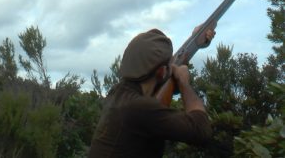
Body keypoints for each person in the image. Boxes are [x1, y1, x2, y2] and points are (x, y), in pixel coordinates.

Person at [88, 28, 214, 158]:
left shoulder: (117, 92)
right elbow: (201, 131)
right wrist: (184, 82)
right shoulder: (140, 108)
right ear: (161, 72)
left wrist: (195, 40)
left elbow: (162, 81)